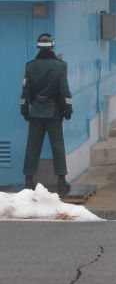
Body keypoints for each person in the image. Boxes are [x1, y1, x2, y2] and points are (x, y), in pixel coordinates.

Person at [20, 33, 73, 197]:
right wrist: (67, 110)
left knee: (32, 146)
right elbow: (64, 91)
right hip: (54, 112)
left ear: (38, 47)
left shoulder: (30, 66)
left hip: (36, 111)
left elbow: (25, 91)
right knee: (57, 146)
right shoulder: (60, 66)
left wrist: (25, 111)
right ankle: (61, 181)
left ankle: (29, 180)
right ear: (52, 47)